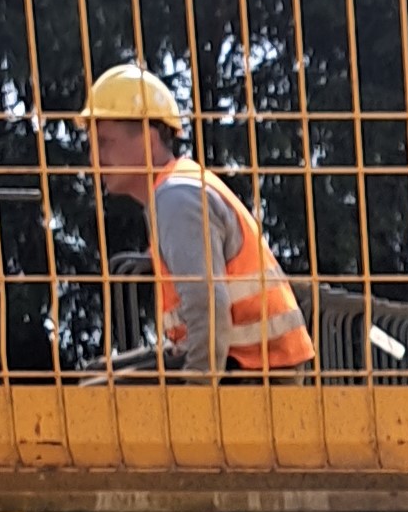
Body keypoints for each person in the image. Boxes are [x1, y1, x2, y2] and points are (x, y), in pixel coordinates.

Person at [81, 63, 314, 374]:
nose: (94, 158)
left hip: (253, 370)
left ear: (149, 140)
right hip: (252, 362)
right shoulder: (177, 189)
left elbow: (208, 307)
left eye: (104, 142)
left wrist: (198, 392)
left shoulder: (176, 198)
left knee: (97, 391)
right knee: (97, 373)